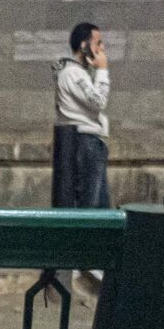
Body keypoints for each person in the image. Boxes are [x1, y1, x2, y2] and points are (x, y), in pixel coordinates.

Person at [54, 22, 111, 209]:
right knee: (92, 205)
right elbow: (98, 101)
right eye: (98, 43)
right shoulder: (72, 73)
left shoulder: (78, 73)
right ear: (84, 46)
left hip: (90, 141)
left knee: (100, 205)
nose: (102, 49)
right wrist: (102, 70)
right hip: (85, 142)